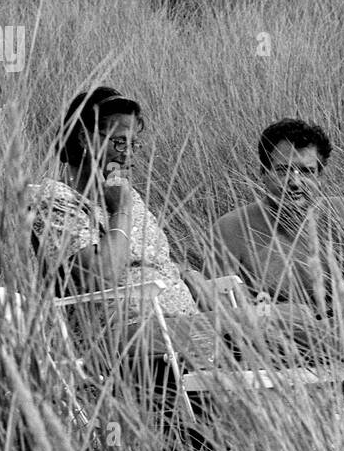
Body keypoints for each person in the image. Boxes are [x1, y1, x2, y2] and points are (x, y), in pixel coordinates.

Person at [27, 86, 225, 375]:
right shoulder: (55, 199)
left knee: (296, 320)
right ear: (85, 139)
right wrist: (120, 210)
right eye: (120, 143)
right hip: (129, 334)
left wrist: (186, 272)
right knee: (294, 324)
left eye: (134, 144)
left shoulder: (123, 194)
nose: (129, 156)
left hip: (183, 326)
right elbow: (100, 274)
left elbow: (149, 257)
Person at [212, 118, 344, 360]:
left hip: (343, 355)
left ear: (320, 176)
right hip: (266, 361)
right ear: (263, 173)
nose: (294, 183)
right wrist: (282, 315)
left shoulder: (341, 215)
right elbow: (227, 314)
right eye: (283, 170)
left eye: (306, 171)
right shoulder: (231, 228)